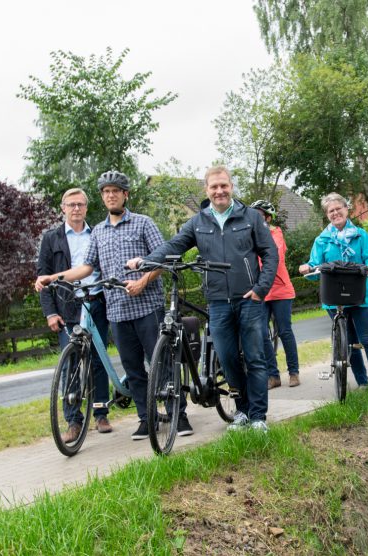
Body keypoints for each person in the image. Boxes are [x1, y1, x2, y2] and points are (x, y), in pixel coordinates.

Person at [127, 166, 278, 432]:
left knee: (255, 357)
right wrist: (146, 261)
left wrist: (261, 289)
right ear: (206, 190)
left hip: (249, 299)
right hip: (218, 302)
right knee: (228, 358)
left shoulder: (251, 217)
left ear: (231, 187)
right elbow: (173, 245)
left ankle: (258, 417)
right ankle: (241, 412)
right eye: (214, 187)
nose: (219, 191)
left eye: (224, 186)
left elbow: (270, 254)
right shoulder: (198, 222)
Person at [35, 171, 184, 440]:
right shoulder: (99, 232)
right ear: (102, 197)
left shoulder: (143, 223)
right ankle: (144, 418)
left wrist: (142, 281)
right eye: (106, 191)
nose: (111, 195)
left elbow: (162, 259)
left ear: (125, 195)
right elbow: (87, 267)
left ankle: (178, 414)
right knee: (133, 368)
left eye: (116, 190)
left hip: (147, 306)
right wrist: (53, 277)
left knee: (160, 361)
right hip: (116, 311)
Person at [36, 187, 113, 440]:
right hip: (67, 307)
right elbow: (43, 277)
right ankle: (73, 421)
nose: (76, 209)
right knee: (70, 363)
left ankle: (101, 412)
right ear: (63, 208)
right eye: (71, 205)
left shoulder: (99, 233)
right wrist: (50, 313)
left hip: (97, 302)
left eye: (80, 204)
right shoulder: (51, 238)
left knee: (98, 359)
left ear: (87, 208)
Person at [298, 192, 368, 387]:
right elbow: (314, 268)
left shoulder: (360, 235)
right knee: (349, 344)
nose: (335, 213)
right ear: (327, 215)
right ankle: (362, 383)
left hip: (360, 295)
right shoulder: (321, 240)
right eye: (331, 211)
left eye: (339, 208)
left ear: (346, 210)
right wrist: (307, 267)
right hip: (334, 297)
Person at [249, 199, 300, 389]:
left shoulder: (276, 233)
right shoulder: (249, 236)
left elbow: (274, 256)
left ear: (268, 218)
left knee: (285, 331)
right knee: (262, 333)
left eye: (260, 216)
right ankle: (273, 375)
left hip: (280, 290)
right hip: (260, 292)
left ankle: (293, 372)